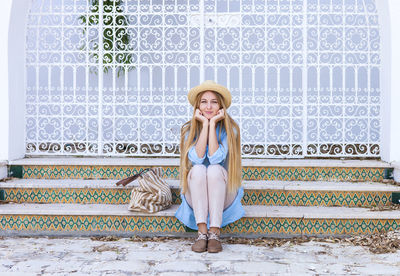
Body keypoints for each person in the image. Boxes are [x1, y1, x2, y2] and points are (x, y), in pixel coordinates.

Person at [175, 80, 245, 253]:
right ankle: (202, 232)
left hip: (224, 195)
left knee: (213, 169)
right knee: (199, 169)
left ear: (220, 106)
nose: (208, 106)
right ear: (198, 106)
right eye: (204, 101)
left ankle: (214, 233)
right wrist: (204, 126)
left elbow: (215, 159)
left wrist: (212, 124)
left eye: (214, 102)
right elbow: (197, 160)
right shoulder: (188, 130)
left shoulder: (231, 130)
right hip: (196, 194)